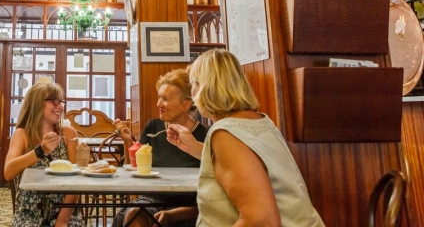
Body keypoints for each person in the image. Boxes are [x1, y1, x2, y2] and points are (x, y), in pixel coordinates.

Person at [165, 49, 325, 226]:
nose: (192, 93)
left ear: (205, 86)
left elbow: (261, 220)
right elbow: (245, 164)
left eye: (193, 84)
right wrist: (193, 146)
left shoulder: (225, 132)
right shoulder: (261, 121)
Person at [111, 68, 207, 227]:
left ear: (185, 105)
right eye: (159, 98)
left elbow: (214, 197)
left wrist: (174, 214)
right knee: (136, 214)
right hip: (151, 201)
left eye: (165, 99)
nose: (158, 104)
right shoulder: (153, 128)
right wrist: (128, 142)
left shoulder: (205, 136)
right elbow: (135, 170)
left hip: (191, 207)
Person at [4, 83, 84, 227]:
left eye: (61, 102)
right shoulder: (22, 134)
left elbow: (77, 181)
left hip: (64, 212)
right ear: (37, 104)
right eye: (55, 101)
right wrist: (40, 151)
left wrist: (63, 221)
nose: (60, 106)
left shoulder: (68, 133)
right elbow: (8, 172)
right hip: (29, 213)